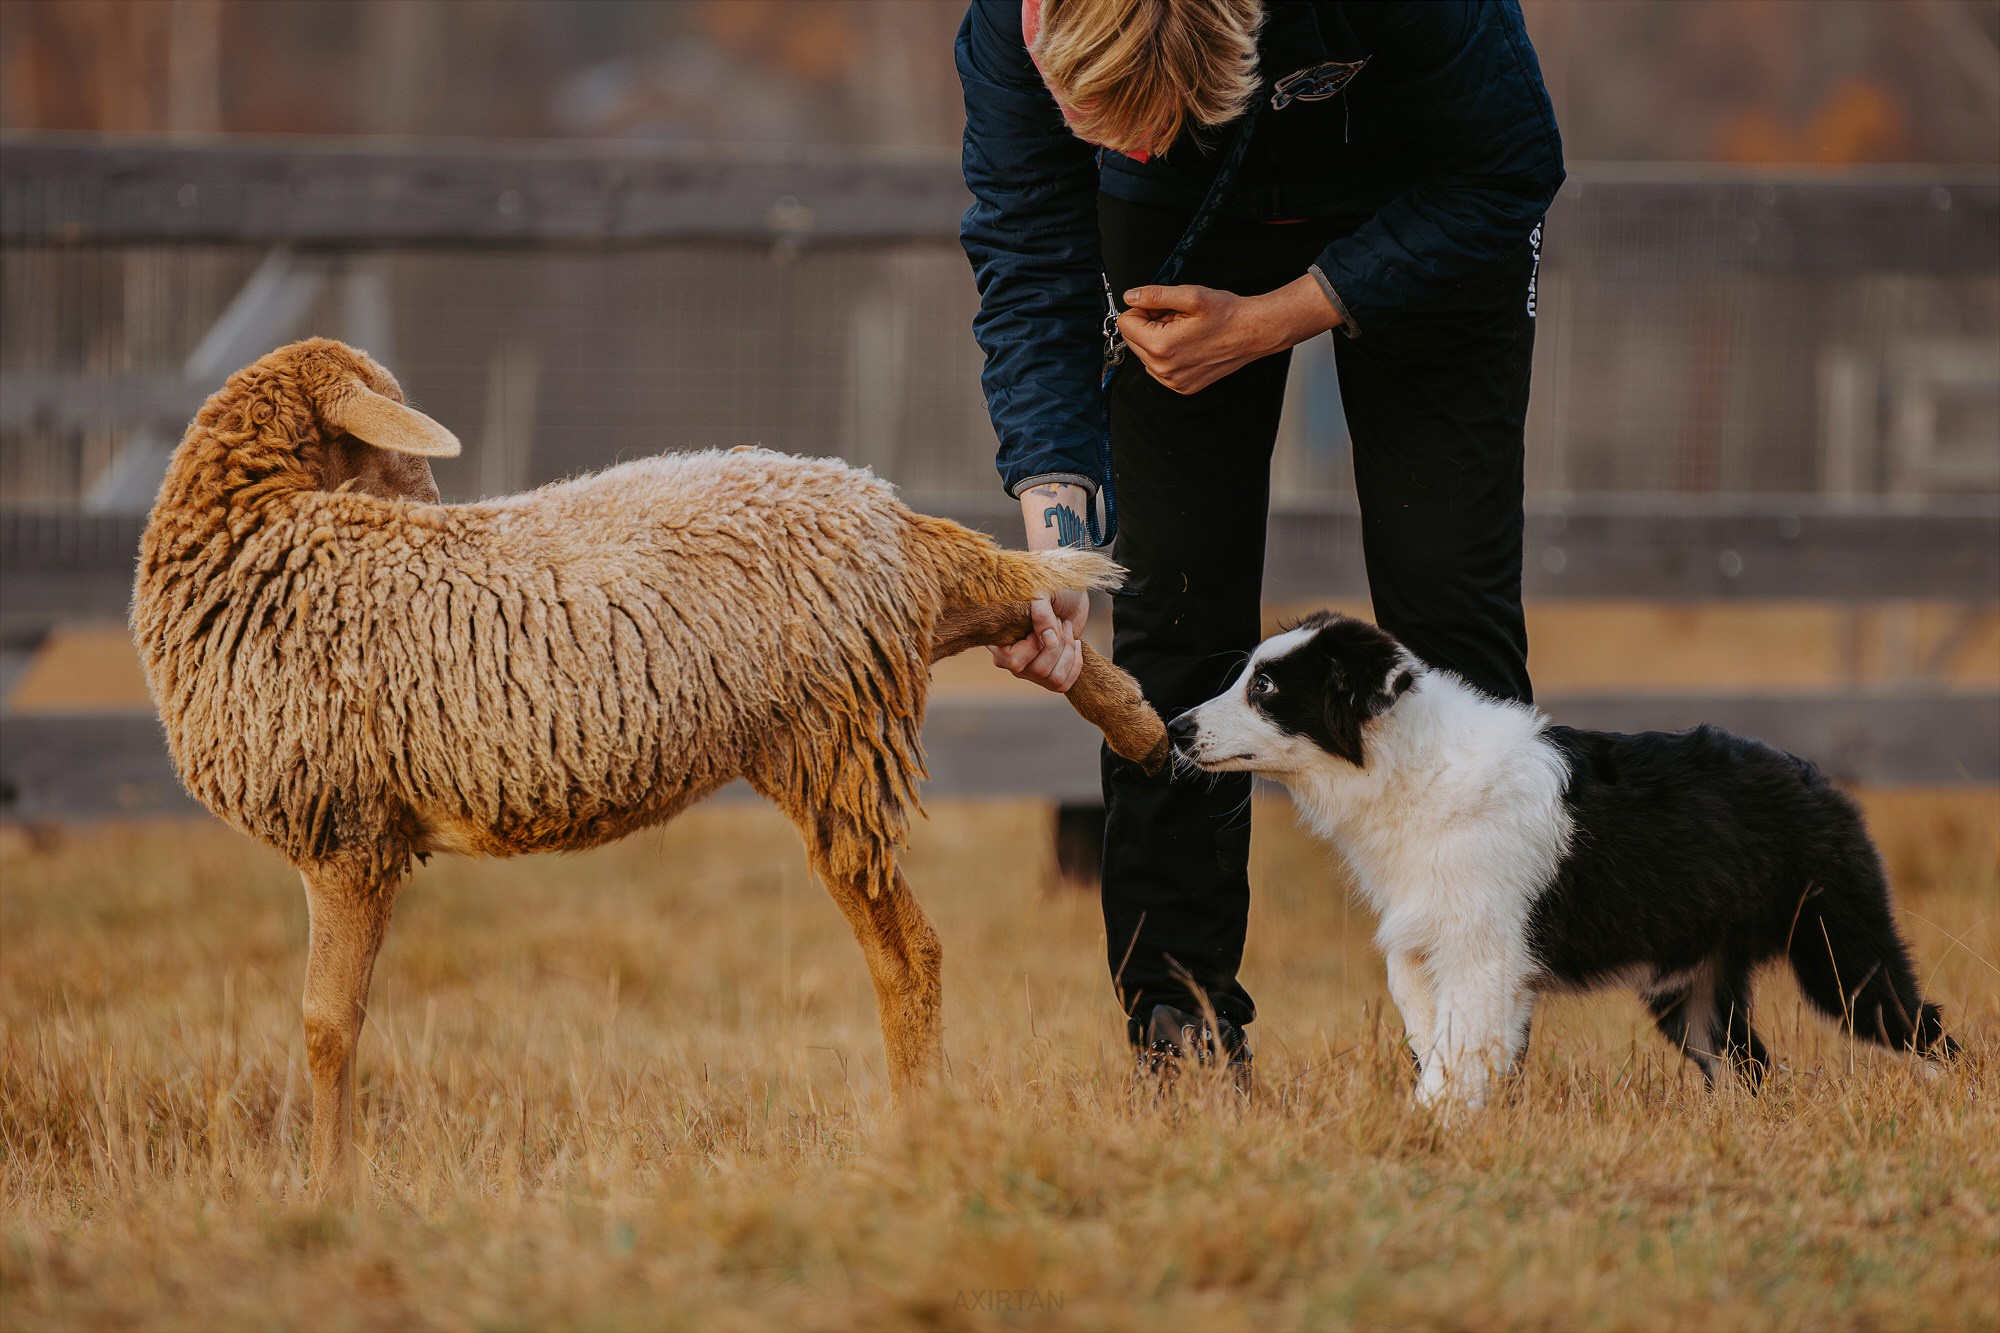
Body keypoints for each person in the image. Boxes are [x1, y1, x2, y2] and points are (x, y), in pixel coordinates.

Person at [956, 0, 1564, 1075]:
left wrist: (1271, 319)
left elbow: (1510, 164)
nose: (1133, 143)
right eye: (1113, 130)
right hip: (1178, 217)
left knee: (1446, 607)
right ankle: (1178, 1023)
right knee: (1174, 608)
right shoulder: (1010, 29)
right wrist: (1056, 548)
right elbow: (1031, 252)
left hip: (1428, 184)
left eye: (1150, 123)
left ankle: (1477, 1035)